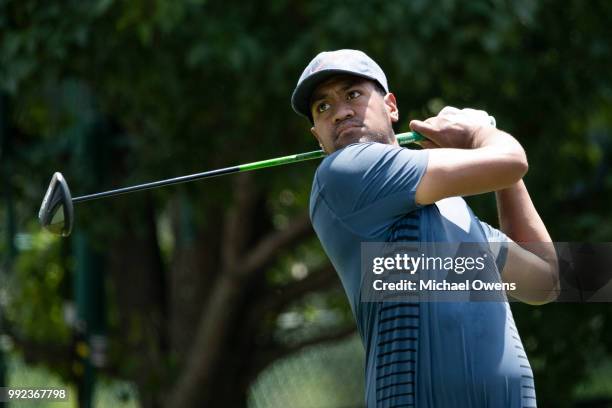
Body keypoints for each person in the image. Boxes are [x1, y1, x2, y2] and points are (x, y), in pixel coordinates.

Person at [291, 49, 559, 408]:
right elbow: (513, 160)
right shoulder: (343, 173)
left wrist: (496, 169)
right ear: (317, 135)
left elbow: (545, 281)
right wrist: (481, 133)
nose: (340, 112)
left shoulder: (453, 212)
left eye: (352, 94)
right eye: (323, 107)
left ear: (391, 106)